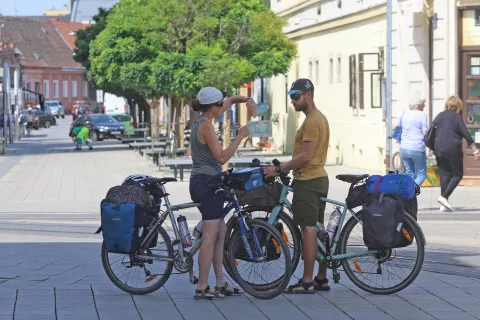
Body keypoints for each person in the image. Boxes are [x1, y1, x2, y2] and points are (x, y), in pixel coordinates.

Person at [189, 87, 257, 300]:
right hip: (207, 184)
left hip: (205, 182)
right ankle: (202, 286)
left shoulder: (202, 117)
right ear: (212, 107)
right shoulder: (206, 127)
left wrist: (247, 99)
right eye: (220, 105)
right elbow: (220, 157)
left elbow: (230, 101)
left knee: (221, 231)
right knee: (210, 236)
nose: (223, 107)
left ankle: (220, 282)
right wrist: (240, 137)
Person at [264, 78, 330, 293]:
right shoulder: (318, 118)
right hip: (317, 178)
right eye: (290, 96)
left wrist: (280, 168)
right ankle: (321, 278)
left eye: (295, 96)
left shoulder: (312, 121)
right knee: (318, 230)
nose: (292, 101)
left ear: (308, 95)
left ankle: (307, 281)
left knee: (308, 230)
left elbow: (305, 157)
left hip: (309, 180)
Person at [432, 95, 480, 211]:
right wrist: (475, 151)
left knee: (445, 175)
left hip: (438, 149)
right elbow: (466, 134)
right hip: (453, 149)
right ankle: (444, 197)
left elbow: (431, 132)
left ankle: (443, 204)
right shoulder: (456, 117)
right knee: (458, 174)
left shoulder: (439, 116)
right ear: (458, 106)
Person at [393, 93, 428, 186]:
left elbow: (394, 127)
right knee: (422, 174)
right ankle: (411, 191)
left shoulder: (404, 113)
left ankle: (407, 195)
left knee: (409, 174)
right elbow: (425, 133)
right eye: (423, 103)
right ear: (419, 104)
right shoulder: (422, 115)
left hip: (404, 148)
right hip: (417, 147)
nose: (424, 105)